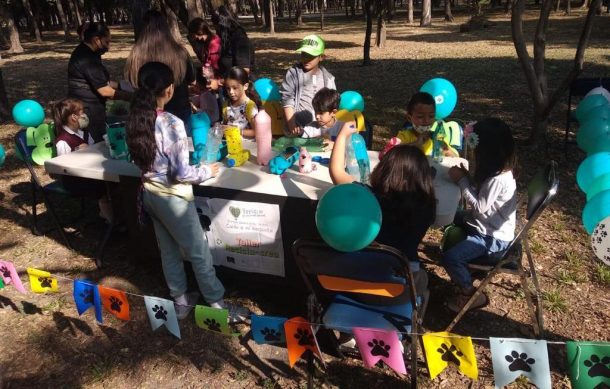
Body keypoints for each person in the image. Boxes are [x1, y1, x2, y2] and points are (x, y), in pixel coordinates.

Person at [125, 61, 248, 322]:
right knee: (198, 251)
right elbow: (181, 173)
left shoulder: (137, 118)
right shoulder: (170, 123)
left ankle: (180, 301)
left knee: (168, 250)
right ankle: (217, 305)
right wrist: (207, 171)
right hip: (173, 199)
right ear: (169, 89)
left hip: (149, 194)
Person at [330, 122, 436, 291]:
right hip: (401, 288)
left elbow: (337, 172)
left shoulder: (368, 197)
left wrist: (342, 136)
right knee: (422, 279)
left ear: (383, 170)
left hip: (359, 284)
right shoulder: (427, 207)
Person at [441, 118, 517, 312]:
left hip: (491, 237)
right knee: (447, 215)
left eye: (477, 150)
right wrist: (467, 177)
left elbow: (479, 207)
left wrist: (462, 182)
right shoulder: (495, 171)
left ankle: (469, 293)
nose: (474, 154)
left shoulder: (498, 179)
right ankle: (468, 268)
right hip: (483, 224)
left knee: (451, 258)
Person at [124, 10, 195, 129]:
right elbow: (191, 80)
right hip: (179, 110)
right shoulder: (180, 52)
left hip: (147, 113)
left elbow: (132, 83)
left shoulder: (135, 55)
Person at [68, 22, 131, 142]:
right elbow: (105, 91)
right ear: (97, 40)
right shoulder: (86, 58)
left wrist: (124, 86)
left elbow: (103, 81)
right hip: (88, 111)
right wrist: (133, 97)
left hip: (94, 108)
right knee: (96, 143)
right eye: (107, 42)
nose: (109, 46)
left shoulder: (90, 54)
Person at [52, 97, 112, 222]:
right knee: (105, 188)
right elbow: (62, 166)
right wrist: (75, 151)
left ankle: (108, 212)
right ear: (74, 117)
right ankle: (112, 221)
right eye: (82, 112)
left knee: (114, 185)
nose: (85, 115)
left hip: (90, 173)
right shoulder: (63, 141)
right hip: (74, 180)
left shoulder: (84, 133)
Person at [280, 34, 336, 137]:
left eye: (311, 55)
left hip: (319, 132)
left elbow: (331, 104)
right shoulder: (293, 74)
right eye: (304, 54)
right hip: (297, 129)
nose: (306, 58)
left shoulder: (328, 79)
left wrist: (327, 130)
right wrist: (293, 127)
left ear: (321, 57)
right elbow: (287, 100)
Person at [394, 92, 458, 158]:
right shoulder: (404, 137)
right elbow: (392, 155)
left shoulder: (436, 138)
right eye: (420, 117)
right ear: (409, 118)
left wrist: (447, 151)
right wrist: (417, 144)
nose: (426, 121)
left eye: (431, 116)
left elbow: (456, 158)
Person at [212, 6, 255, 78]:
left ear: (221, 25)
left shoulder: (239, 39)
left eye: (215, 26)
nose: (215, 29)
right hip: (228, 83)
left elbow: (243, 72)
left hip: (239, 86)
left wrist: (220, 82)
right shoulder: (226, 39)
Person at [222, 66, 259, 137]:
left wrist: (236, 131)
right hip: (231, 145)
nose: (231, 92)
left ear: (245, 86)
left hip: (248, 146)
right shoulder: (226, 105)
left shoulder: (250, 106)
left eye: (235, 88)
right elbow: (225, 125)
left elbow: (257, 132)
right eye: (228, 88)